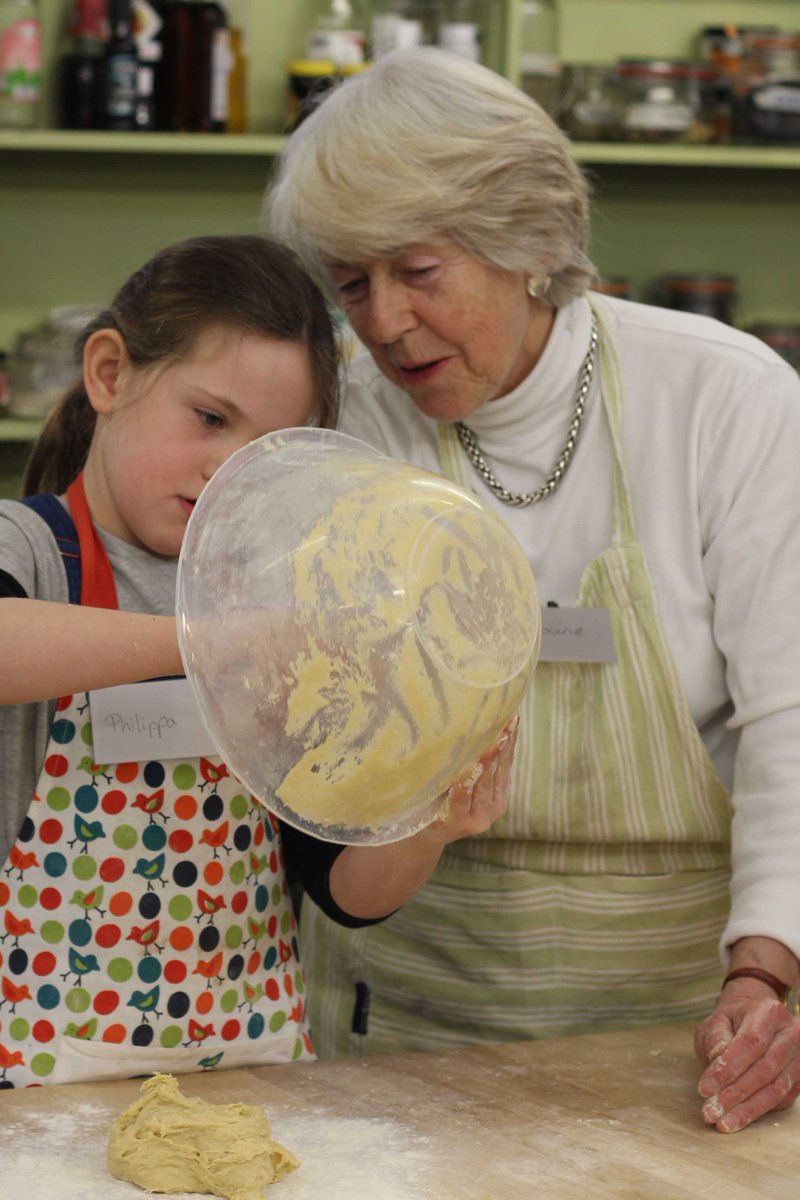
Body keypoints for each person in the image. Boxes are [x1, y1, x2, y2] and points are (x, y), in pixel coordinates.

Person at [266, 48, 800, 1133]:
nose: (382, 323)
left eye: (417, 272)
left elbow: (789, 721)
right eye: (349, 283)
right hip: (396, 1017)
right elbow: (328, 751)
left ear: (532, 244)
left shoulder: (719, 398)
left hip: (676, 1032)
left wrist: (764, 975)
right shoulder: (350, 425)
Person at [0, 233, 518, 1088]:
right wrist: (209, 640)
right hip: (35, 1084)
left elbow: (344, 890)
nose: (222, 468)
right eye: (209, 418)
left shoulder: (286, 599)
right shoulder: (31, 552)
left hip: (246, 1072)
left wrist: (430, 820)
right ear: (109, 374)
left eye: (262, 451)